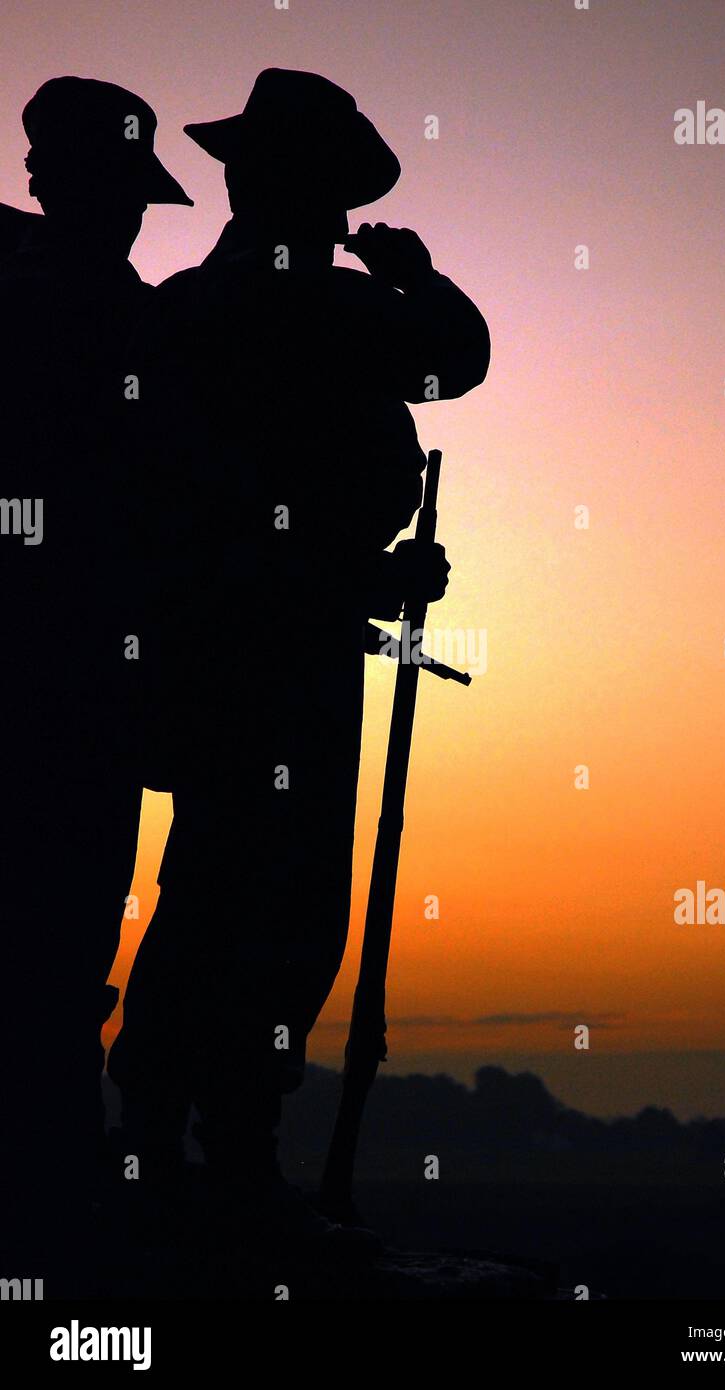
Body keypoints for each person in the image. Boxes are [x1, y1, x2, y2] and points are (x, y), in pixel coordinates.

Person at [108, 69, 489, 1256]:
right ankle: (226, 1163)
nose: (337, 225)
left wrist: (354, 578)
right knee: (272, 906)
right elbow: (455, 355)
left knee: (213, 890)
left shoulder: (184, 306)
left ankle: (172, 1146)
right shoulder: (316, 309)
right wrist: (413, 273)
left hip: (224, 648)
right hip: (281, 654)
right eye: (326, 199)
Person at [0, 77, 192, 1268]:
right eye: (111, 191)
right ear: (48, 185)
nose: (125, 218)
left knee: (68, 944)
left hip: (93, 679)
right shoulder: (67, 309)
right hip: (56, 672)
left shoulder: (131, 316)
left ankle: (54, 1180)